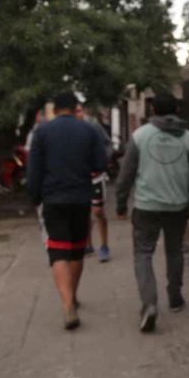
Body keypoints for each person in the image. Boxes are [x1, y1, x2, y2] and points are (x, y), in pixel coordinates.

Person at [115, 92, 189, 333]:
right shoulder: (188, 138)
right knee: (175, 250)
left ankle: (149, 303)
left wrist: (121, 203)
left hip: (146, 206)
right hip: (177, 205)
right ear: (176, 110)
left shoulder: (140, 136)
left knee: (143, 253)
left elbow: (126, 173)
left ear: (152, 110)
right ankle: (175, 297)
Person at [27, 91, 108, 330]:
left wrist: (35, 197)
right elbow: (100, 164)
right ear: (75, 108)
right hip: (81, 198)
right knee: (76, 251)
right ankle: (72, 295)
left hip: (53, 199)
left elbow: (34, 170)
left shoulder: (42, 132)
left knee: (58, 251)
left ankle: (67, 304)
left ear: (55, 110)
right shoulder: (90, 130)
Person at [75, 104, 112, 262]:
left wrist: (102, 161)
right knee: (83, 212)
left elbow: (107, 144)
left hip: (96, 176)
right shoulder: (69, 130)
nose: (77, 114)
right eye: (75, 111)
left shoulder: (93, 127)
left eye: (79, 110)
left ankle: (104, 245)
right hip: (79, 177)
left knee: (97, 211)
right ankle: (88, 244)